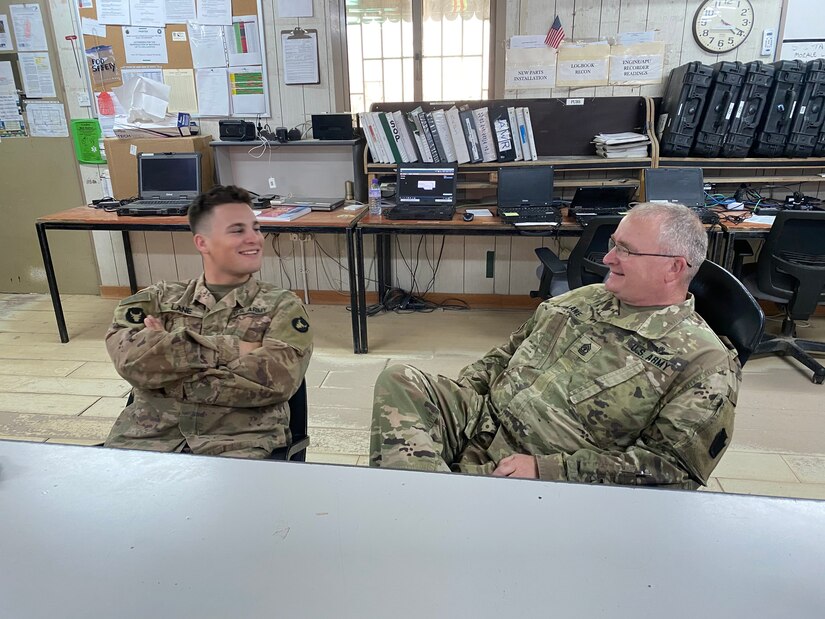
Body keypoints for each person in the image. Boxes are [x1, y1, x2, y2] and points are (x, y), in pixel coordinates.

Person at [370, 202, 740, 488]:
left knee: (406, 484)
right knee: (400, 379)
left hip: (545, 468)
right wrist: (463, 397)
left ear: (674, 268)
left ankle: (422, 505)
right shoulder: (585, 299)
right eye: (613, 245)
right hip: (485, 419)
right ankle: (426, 499)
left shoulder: (702, 362)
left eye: (625, 250)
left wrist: (548, 470)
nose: (608, 258)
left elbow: (672, 470)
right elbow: (506, 354)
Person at [104, 185, 313, 458]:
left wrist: (165, 371)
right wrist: (232, 349)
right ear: (202, 242)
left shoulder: (282, 306)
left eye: (256, 228)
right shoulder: (156, 299)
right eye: (237, 230)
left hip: (239, 447)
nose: (254, 239)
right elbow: (131, 363)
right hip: (143, 441)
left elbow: (276, 381)